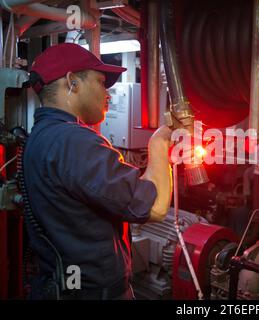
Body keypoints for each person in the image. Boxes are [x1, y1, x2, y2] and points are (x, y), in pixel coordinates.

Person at [23, 43, 173, 299]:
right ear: (72, 82)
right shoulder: (74, 141)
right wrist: (159, 141)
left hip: (63, 286)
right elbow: (156, 207)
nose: (109, 94)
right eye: (101, 82)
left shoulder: (42, 136)